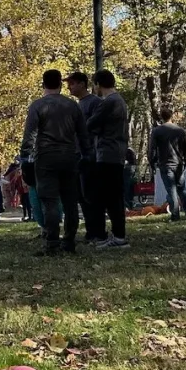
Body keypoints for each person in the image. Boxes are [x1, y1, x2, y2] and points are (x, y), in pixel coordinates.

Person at [19, 69, 93, 255]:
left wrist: (25, 157)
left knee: (50, 201)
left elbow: (30, 135)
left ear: (43, 84)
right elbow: (83, 134)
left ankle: (52, 243)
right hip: (70, 156)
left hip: (46, 157)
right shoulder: (73, 106)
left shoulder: (37, 106)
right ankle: (69, 242)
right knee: (70, 201)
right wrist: (87, 155)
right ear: (60, 84)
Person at [87, 70, 130, 249]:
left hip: (107, 153)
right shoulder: (119, 101)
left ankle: (118, 237)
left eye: (94, 84)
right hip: (117, 152)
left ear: (98, 84)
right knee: (113, 196)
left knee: (109, 197)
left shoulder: (109, 102)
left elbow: (91, 124)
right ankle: (118, 234)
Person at [65, 71, 103, 243]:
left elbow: (98, 128)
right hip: (76, 154)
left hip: (90, 156)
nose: (69, 87)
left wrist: (91, 153)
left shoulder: (94, 103)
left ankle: (98, 232)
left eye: (72, 83)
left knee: (91, 195)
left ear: (82, 84)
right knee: (81, 196)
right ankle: (90, 231)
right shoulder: (76, 105)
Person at [148, 107, 186, 221]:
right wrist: (185, 161)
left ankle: (175, 215)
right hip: (178, 163)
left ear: (161, 117)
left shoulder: (157, 131)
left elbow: (152, 148)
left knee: (171, 190)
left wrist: (152, 162)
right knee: (182, 189)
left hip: (165, 163)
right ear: (171, 116)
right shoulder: (180, 130)